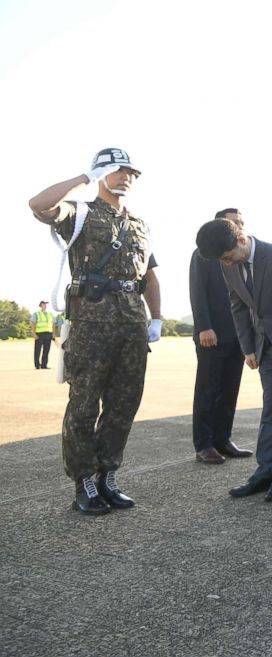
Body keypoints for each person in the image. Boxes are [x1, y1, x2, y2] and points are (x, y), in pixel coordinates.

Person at [27, 148, 163, 514]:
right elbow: (38, 204)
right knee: (84, 405)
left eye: (131, 172)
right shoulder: (80, 212)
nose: (126, 177)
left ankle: (107, 475)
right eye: (117, 170)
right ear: (102, 171)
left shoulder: (139, 223)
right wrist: (84, 177)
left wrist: (157, 317)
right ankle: (83, 481)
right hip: (91, 324)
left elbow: (148, 274)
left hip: (132, 323)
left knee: (124, 405)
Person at [195, 219, 272, 502]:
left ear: (240, 239)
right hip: (265, 348)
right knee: (271, 411)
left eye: (227, 256)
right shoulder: (229, 265)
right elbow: (237, 306)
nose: (226, 263)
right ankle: (265, 471)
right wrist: (248, 347)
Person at [188, 208, 251, 465]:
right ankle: (203, 444)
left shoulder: (243, 254)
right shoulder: (204, 253)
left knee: (229, 390)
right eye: (234, 222)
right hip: (211, 334)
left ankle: (223, 439)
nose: (240, 226)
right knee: (208, 390)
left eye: (241, 222)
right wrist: (204, 326)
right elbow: (197, 292)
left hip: (238, 334)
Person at [31, 300, 56, 369]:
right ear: (41, 305)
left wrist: (53, 334)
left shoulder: (50, 314)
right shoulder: (36, 314)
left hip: (48, 334)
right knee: (37, 350)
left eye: (46, 304)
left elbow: (53, 324)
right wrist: (34, 333)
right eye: (44, 304)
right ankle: (37, 365)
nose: (45, 305)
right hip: (39, 334)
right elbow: (33, 324)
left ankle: (44, 365)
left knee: (46, 350)